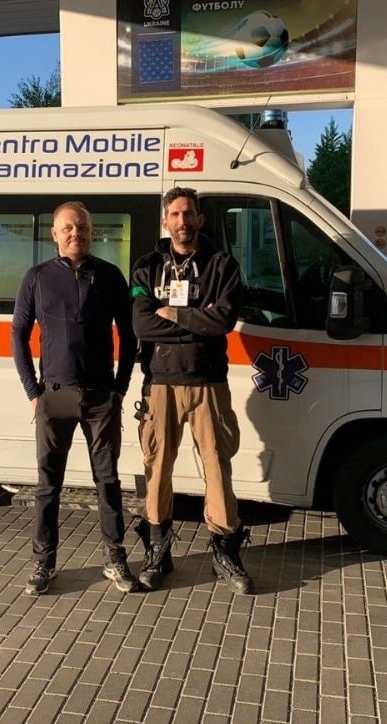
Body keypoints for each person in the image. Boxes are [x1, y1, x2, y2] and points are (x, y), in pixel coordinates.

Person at [130, 186, 254, 594]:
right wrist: (197, 320)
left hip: (208, 383)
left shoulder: (222, 265)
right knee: (157, 468)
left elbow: (223, 321)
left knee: (217, 467)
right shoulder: (147, 267)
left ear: (199, 218)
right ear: (165, 221)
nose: (182, 221)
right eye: (175, 214)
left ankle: (226, 554)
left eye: (189, 214)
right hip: (160, 383)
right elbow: (142, 324)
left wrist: (174, 314)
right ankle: (157, 552)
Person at [12, 201, 139, 596]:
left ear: (92, 232)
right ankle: (43, 563)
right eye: (67, 228)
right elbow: (18, 334)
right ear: (54, 234)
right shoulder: (37, 277)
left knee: (108, 481)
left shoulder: (110, 276)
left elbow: (129, 334)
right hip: (53, 396)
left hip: (101, 397)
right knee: (48, 485)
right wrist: (32, 391)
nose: (75, 234)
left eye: (81, 227)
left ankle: (115, 558)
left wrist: (120, 387)